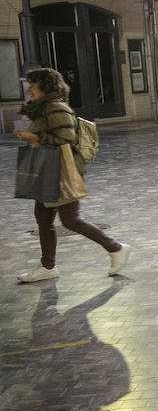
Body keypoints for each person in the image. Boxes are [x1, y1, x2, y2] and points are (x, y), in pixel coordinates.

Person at [14, 67, 129, 283]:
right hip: (48, 168)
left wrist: (34, 136)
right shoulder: (43, 107)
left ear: (45, 85)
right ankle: (48, 266)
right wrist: (31, 136)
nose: (29, 89)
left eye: (33, 84)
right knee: (43, 217)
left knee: (70, 219)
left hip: (62, 170)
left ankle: (116, 248)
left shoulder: (56, 107)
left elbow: (65, 138)